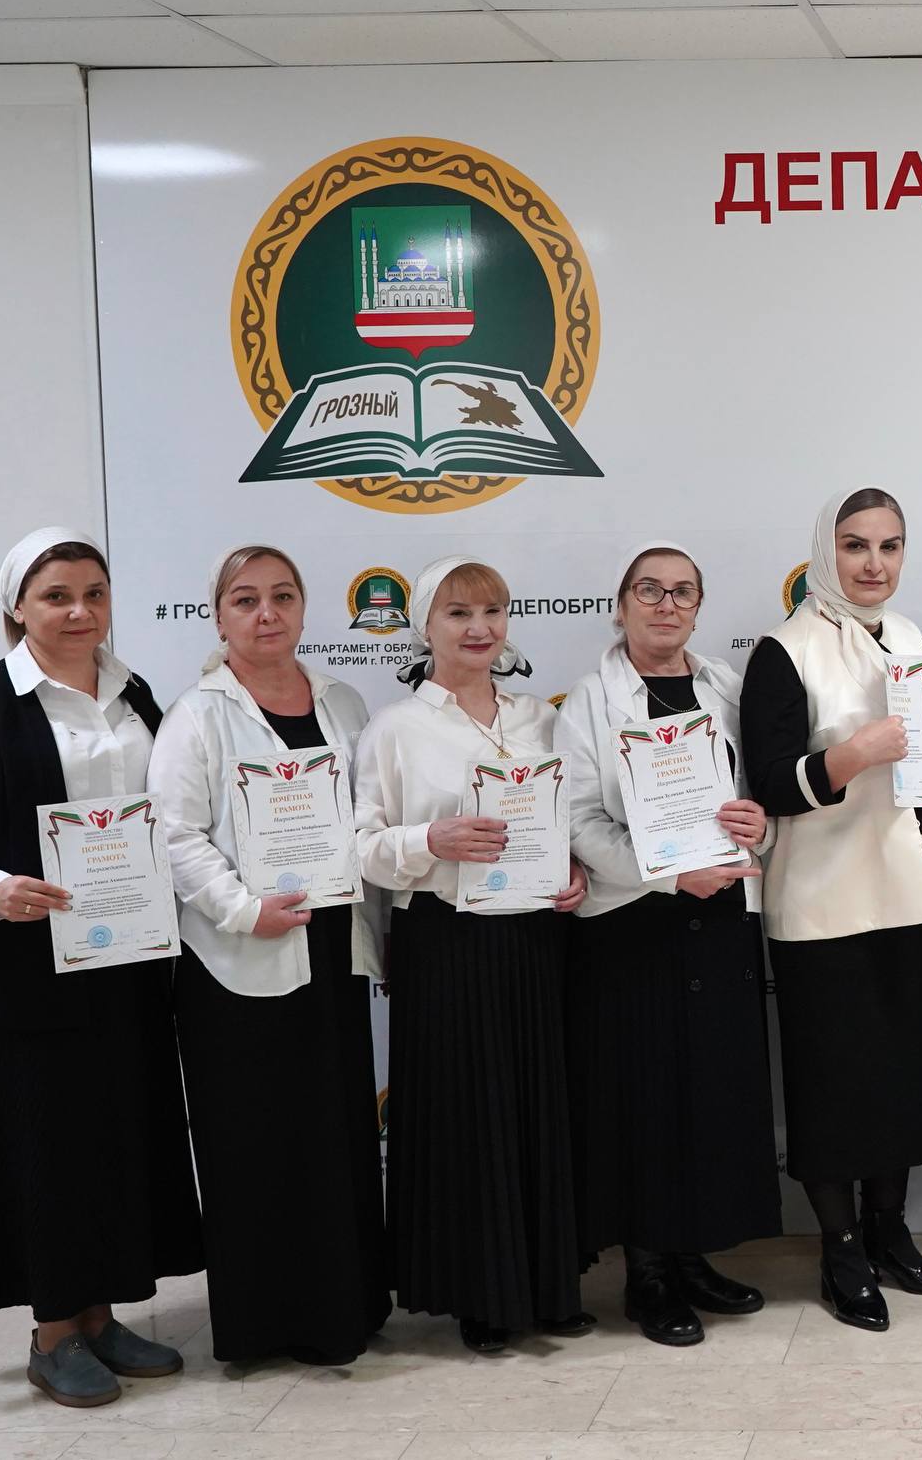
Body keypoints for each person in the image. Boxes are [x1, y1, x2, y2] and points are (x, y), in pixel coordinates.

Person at [0, 528, 202, 1408]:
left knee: (115, 1139)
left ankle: (100, 1317)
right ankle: (53, 1334)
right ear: (17, 608)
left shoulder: (135, 695)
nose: (79, 612)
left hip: (123, 965)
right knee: (45, 1149)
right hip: (22, 975)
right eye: (57, 596)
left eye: (94, 594)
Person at [740, 488, 922, 1332]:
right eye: (854, 545)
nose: (873, 564)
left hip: (913, 892)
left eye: (889, 546)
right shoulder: (785, 650)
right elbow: (769, 783)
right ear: (825, 551)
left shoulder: (911, 640)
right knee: (832, 1084)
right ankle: (840, 1250)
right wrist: (849, 755)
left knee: (901, 1076)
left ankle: (889, 1234)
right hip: (825, 902)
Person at [149, 545, 391, 1365]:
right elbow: (175, 835)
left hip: (329, 945)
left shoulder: (343, 701)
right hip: (238, 958)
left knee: (335, 1135)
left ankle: (346, 1310)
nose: (267, 614)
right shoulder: (196, 715)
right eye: (246, 599)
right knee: (255, 1145)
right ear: (218, 616)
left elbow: (367, 820)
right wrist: (242, 910)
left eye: (283, 596)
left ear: (303, 607)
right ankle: (265, 1324)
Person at [353, 556, 591, 1355]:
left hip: (534, 935)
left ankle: (548, 1284)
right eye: (458, 613)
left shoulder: (539, 719)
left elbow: (570, 820)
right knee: (467, 1115)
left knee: (538, 1106)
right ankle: (479, 1294)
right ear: (425, 626)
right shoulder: (395, 729)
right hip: (446, 939)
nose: (479, 628)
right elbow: (361, 848)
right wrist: (431, 839)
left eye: (492, 611)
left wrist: (576, 872)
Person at [555, 543, 779, 1347]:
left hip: (719, 917)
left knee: (709, 1093)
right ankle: (647, 1273)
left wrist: (757, 822)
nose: (666, 604)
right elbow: (578, 821)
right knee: (643, 1098)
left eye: (683, 592)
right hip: (634, 923)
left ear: (699, 607)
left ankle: (692, 1255)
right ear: (620, 606)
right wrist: (667, 875)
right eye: (648, 590)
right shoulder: (589, 701)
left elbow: (756, 798)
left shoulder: (725, 687)